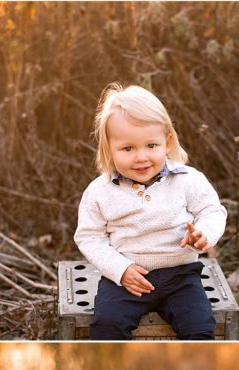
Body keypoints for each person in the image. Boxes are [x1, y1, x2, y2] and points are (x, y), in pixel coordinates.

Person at [75, 83, 226, 339]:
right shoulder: (100, 191)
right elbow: (89, 237)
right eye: (128, 149)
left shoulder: (187, 179)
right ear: (109, 149)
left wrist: (203, 234)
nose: (141, 157)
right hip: (127, 280)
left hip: (181, 278)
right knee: (107, 325)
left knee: (199, 328)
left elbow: (212, 210)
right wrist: (120, 270)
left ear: (167, 143)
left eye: (151, 146)